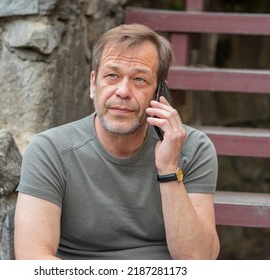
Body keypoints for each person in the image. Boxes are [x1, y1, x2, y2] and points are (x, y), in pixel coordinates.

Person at [14, 23, 220, 260]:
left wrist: (169, 169)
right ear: (93, 84)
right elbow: (32, 258)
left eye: (139, 79)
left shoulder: (192, 149)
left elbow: (198, 260)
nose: (123, 91)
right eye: (112, 76)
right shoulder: (49, 151)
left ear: (159, 93)